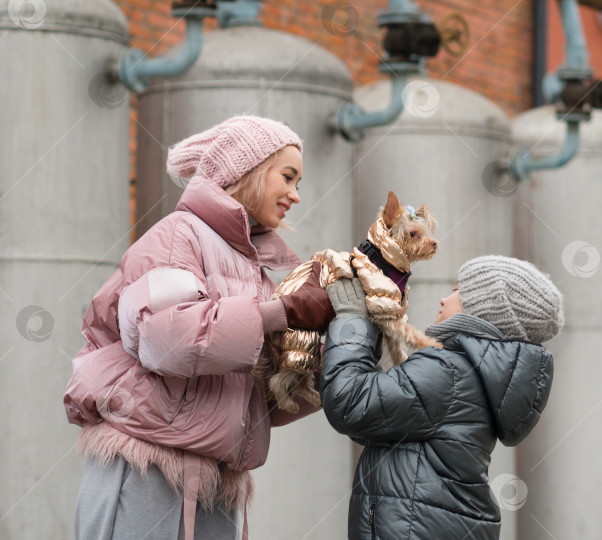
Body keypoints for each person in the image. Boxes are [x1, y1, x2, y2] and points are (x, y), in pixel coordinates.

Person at [63, 115, 334, 540]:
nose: (296, 195)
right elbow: (166, 340)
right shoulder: (178, 237)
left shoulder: (254, 270)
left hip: (215, 487)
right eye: (288, 176)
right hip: (147, 473)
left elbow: (256, 400)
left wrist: (329, 355)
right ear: (247, 171)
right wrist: (280, 313)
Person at [320, 255, 563, 539]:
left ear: (482, 313)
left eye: (458, 291)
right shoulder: (469, 374)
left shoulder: (448, 370)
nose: (444, 300)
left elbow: (350, 403)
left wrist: (352, 319)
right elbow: (379, 424)